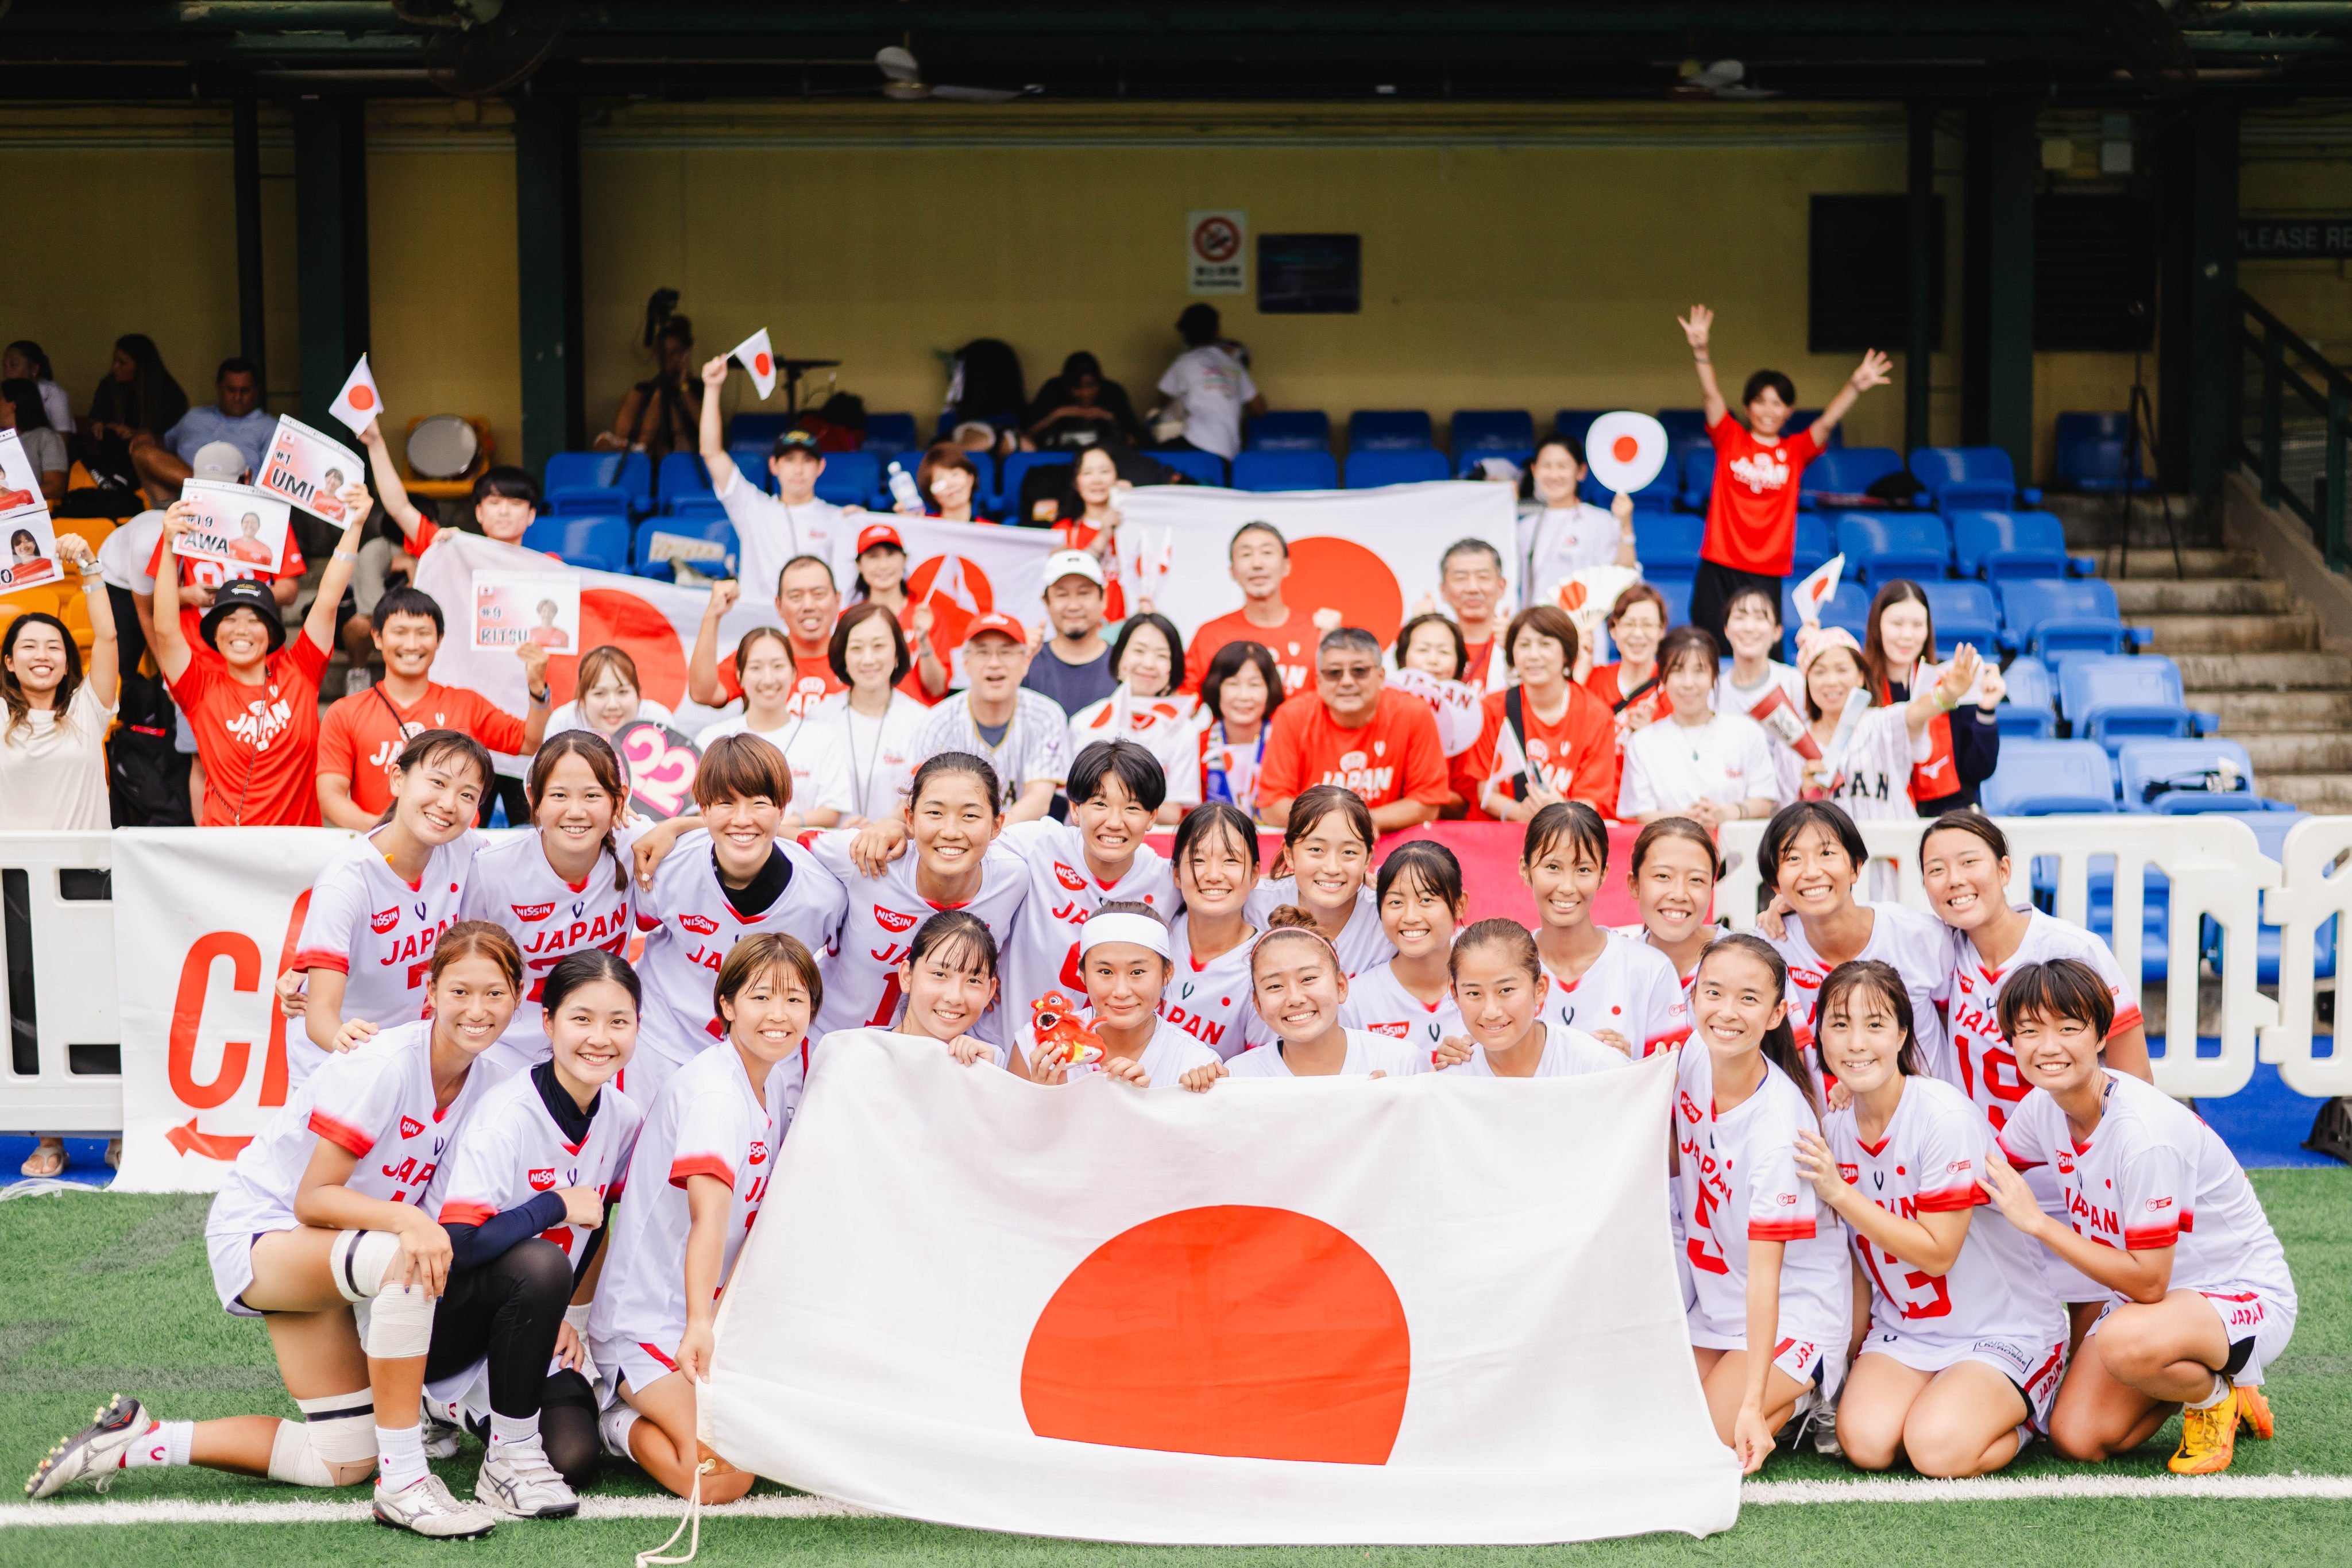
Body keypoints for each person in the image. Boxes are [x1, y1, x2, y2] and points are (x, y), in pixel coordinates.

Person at [28, 926, 524, 1538]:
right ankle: (404, 1482)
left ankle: (138, 1440)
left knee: (340, 1459)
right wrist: (408, 1220)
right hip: (269, 1231)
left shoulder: (493, 1081)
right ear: (429, 991)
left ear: (518, 999)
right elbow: (313, 1199)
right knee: (405, 1259)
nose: (477, 1010)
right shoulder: (385, 1063)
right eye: (460, 991)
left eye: (494, 994)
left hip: (338, 1249)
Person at [1984, 959, 2295, 1475]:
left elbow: (2150, 1283)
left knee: (2122, 1342)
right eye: (2030, 1031)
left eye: (2067, 1028)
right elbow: (1984, 1175)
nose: (2048, 1046)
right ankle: (2209, 1381)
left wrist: (2039, 1223)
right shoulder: (2042, 1107)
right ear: (2011, 1041)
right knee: (2075, 1437)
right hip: (2154, 1308)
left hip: (2239, 1295)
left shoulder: (2143, 1134)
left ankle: (2214, 1395)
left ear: (2102, 1034)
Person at [1792, 960, 2065, 1478]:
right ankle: (1951, 1403)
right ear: (1819, 1035)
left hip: (2001, 1328)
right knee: (1867, 1446)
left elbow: (1938, 1254)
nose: (1855, 1043)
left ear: (1901, 1033)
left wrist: (1839, 1192)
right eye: (1839, 1024)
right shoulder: (1832, 1128)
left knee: (1935, 1450)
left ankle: (2028, 1414)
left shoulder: (1943, 1117)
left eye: (1874, 1025)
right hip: (1908, 1332)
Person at [585, 933, 822, 1504]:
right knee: (721, 1479)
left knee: (785, 1443)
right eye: (762, 997)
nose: (779, 1015)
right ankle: (614, 1423)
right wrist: (698, 1324)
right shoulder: (716, 1094)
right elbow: (708, 1220)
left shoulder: (771, 1080)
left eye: (794, 1000)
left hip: (714, 1319)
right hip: (648, 1327)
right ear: (727, 1005)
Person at [425, 948, 645, 1512]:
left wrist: (559, 1314)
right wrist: (553, 1205)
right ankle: (489, 1448)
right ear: (547, 1022)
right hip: (445, 1321)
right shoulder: (508, 1115)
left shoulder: (623, 1118)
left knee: (574, 1457)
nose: (600, 1038)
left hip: (523, 1318)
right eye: (582, 1019)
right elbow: (459, 1245)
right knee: (540, 1260)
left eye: (619, 1022)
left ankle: (458, 1411)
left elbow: (599, 1220)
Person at [1675, 933, 1852, 1473]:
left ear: (1776, 1014)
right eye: (1714, 993)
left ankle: (1803, 1394)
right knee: (1649, 1417)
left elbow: (1766, 1278)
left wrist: (1752, 1404)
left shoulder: (1779, 1126)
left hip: (1792, 1311)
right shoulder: (1691, 1055)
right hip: (1715, 1301)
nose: (1727, 1013)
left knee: (1700, 1445)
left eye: (1748, 999)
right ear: (1693, 997)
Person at [855, 740, 1173, 1022]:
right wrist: (893, 826)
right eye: (1100, 805)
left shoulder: (1169, 882)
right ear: (1075, 809)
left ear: (1153, 816)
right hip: (1001, 1043)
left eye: (1132, 808)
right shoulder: (1034, 844)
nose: (1114, 822)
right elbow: (959, 842)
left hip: (1096, 1057)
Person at [629, 734, 847, 1109]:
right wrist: (676, 827)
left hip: (768, 1051)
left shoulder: (823, 895)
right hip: (665, 1041)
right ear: (703, 808)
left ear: (782, 810)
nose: (742, 819)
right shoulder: (666, 865)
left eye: (759, 803)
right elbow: (645, 920)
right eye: (726, 803)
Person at [153, 481, 372, 826]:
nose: (241, 629)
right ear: (215, 633)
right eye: (230, 620)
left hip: (294, 856)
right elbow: (165, 630)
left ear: (271, 634)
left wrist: (354, 526)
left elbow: (328, 600)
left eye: (254, 620)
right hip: (227, 855)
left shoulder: (300, 671)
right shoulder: (199, 688)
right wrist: (168, 548)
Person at [3, 540, 120, 1180]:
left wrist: (91, 571)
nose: (43, 655)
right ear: (10, 661)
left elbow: (107, 639)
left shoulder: (86, 714)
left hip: (86, 880)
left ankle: (112, 1127)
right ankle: (48, 1135)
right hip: (15, 886)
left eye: (54, 646)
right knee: (30, 1006)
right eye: (29, 647)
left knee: (98, 999)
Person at [1678, 303, 1891, 647]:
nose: (1768, 410)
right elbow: (1710, 395)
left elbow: (1826, 423)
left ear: (1789, 411)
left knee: (1761, 650)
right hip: (1719, 562)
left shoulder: (1795, 451)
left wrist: (1854, 385)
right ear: (1748, 407)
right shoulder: (1730, 438)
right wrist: (1701, 350)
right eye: (1761, 401)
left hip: (1766, 569)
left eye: (1777, 403)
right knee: (1706, 647)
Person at [1921, 813, 2153, 1126]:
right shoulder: (1939, 952)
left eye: (1969, 862)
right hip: (1981, 1158)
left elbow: (2134, 1077)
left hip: (2066, 1159)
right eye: (1936, 869)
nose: (1954, 879)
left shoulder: (2074, 949)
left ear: (2004, 870)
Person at [292, 731, 493, 1082]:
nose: (449, 804)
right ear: (397, 779)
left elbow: (535, 858)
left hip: (414, 1061)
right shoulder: (345, 884)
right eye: (437, 782)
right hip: (340, 1065)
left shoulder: (466, 849)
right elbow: (320, 1018)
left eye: (467, 795)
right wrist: (354, 1046)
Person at [804, 751, 1029, 1046]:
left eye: (970, 816)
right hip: (832, 1047)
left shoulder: (1013, 880)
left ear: (997, 825)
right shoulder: (870, 855)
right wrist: (884, 824)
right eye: (935, 813)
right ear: (910, 817)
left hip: (934, 1064)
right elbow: (774, 835)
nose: (950, 832)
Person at [458, 732, 637, 1069]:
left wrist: (674, 828)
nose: (575, 811)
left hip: (601, 1048)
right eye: (558, 795)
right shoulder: (491, 869)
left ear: (619, 799)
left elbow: (709, 836)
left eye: (592, 795)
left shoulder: (634, 848)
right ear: (533, 798)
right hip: (507, 1049)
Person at [315, 586, 551, 830]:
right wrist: (388, 832)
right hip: (381, 852)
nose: (412, 644)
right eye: (400, 632)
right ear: (377, 637)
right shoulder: (345, 712)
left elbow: (531, 742)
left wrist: (537, 689)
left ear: (439, 639)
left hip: (456, 853)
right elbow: (330, 796)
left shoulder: (467, 704)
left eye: (423, 633)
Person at [1758, 800, 1957, 1088]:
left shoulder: (1921, 936)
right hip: (1826, 1129)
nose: (1812, 871)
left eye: (1826, 853)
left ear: (1856, 867)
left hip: (1923, 1123)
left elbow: (1956, 1020)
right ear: (1775, 881)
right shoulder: (1768, 949)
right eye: (1793, 859)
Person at [1518, 801, 1688, 1056]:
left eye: (1583, 869)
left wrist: (1630, 1065)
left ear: (1603, 874)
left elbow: (1674, 1075)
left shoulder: (1651, 969)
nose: (1567, 886)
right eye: (1553, 867)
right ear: (1525, 868)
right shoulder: (1503, 969)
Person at [1010, 902, 1225, 1092]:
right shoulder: (1035, 1045)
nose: (1121, 992)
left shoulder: (1196, 1066)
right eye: (1105, 972)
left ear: (1167, 973)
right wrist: (1043, 1096)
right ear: (1083, 974)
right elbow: (1008, 1134)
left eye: (1137, 972)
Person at [1258, 627, 1449, 831]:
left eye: (1359, 671)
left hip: (1391, 847)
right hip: (1314, 845)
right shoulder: (1292, 716)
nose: (1347, 682)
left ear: (1381, 676)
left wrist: (1361, 823)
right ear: (1318, 681)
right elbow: (1272, 806)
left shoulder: (1414, 713)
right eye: (1334, 673)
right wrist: (1348, 825)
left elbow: (1427, 804)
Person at [1795, 628, 1991, 824]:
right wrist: (1809, 795)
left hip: (1893, 849)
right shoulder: (1794, 741)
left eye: (1842, 670)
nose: (1831, 681)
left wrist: (1948, 694)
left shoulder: (1884, 722)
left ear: (1860, 677)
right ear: (1807, 680)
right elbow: (1786, 819)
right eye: (1820, 672)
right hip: (1831, 852)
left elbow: (1918, 711)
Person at [697, 356, 850, 601]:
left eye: (807, 461)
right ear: (774, 466)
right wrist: (712, 388)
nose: (798, 470)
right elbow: (711, 452)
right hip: (761, 629)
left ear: (820, 467)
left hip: (815, 629)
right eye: (789, 460)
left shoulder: (839, 519)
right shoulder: (752, 507)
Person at [908, 610, 1068, 822]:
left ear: (1026, 662)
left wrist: (985, 836)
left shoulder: (1047, 715)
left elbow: (1039, 800)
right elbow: (920, 799)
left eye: (1006, 652)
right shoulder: (938, 721)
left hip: (1022, 844)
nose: (994, 663)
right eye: (983, 652)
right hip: (954, 840)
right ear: (966, 663)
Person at [1227, 906, 1426, 1076]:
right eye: (1275, 986)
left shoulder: (1401, 1064)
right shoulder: (1240, 1076)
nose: (1295, 999)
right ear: (1258, 1005)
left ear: (1341, 986)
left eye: (1308, 979)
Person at [1618, 625, 1784, 827]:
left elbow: (1765, 802)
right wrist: (1687, 820)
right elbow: (1643, 815)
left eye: (1699, 671)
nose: (1689, 683)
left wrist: (1726, 813)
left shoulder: (1747, 733)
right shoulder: (1643, 742)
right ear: (1663, 679)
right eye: (1678, 671)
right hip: (1670, 851)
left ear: (1714, 675)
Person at [692, 622, 851, 831]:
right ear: (739, 675)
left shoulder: (822, 737)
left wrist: (775, 825)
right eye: (756, 668)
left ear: (794, 673)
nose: (768, 679)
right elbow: (698, 811)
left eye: (778, 666)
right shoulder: (712, 738)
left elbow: (831, 811)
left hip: (803, 857)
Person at [1466, 605, 1617, 821]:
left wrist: (1559, 810)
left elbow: (1592, 800)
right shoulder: (1491, 708)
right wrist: (1521, 813)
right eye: (1524, 645)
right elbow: (1486, 794)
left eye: (1545, 644)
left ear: (1566, 654)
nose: (1533, 655)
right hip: (1504, 836)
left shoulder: (1596, 715)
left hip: (1566, 838)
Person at [1864, 581, 2003, 816]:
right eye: (1897, 624)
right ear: (1877, 626)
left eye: (1918, 625)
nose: (1907, 635)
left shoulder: (1952, 678)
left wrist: (1986, 710)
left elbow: (1979, 769)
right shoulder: (1859, 685)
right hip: (1882, 815)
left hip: (1951, 816)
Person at [1439, 918, 1627, 1078]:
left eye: (1506, 990)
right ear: (1455, 994)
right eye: (1474, 994)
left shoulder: (1596, 1066)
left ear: (1540, 988)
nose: (1491, 1012)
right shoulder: (1450, 1081)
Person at [1244, 784, 1395, 976]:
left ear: (1367, 858)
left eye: (1349, 852)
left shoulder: (1387, 917)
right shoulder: (1253, 904)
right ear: (1289, 853)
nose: (1332, 868)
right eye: (1316, 850)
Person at [1338, 840, 1466, 1059]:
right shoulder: (1352, 1002)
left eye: (1426, 900)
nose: (1410, 917)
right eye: (1396, 902)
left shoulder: (1489, 989)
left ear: (1459, 905)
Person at [1067, 612, 1199, 824]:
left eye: (1162, 655)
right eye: (1139, 651)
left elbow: (1173, 814)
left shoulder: (1183, 730)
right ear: (1120, 659)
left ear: (1172, 670)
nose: (1148, 663)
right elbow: (1076, 804)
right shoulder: (1086, 722)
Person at [1163, 802, 1270, 1059]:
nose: (1213, 875)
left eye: (1230, 860)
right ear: (1177, 873)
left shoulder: (1265, 965)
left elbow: (1260, 1070)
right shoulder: (1156, 936)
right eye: (1198, 860)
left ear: (1255, 874)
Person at [689, 557, 848, 719]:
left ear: (837, 600)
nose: (808, 606)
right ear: (779, 606)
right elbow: (703, 694)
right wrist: (713, 615)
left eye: (819, 594)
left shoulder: (858, 658)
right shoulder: (759, 655)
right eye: (796, 596)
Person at [1181, 521, 1328, 697]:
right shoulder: (1210, 635)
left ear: (1286, 566)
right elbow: (1185, 701)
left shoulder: (1318, 632)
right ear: (1233, 571)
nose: (1257, 564)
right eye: (1246, 554)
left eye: (1267, 553)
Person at [822, 600, 933, 822]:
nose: (868, 659)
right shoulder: (820, 718)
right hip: (831, 849)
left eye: (879, 646)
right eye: (856, 648)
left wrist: (882, 829)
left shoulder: (922, 721)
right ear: (843, 656)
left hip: (900, 848)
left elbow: (926, 795)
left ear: (897, 655)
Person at [873, 910, 1005, 1064]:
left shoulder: (991, 1060)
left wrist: (987, 1078)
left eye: (973, 981)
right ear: (907, 976)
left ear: (990, 991)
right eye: (940, 974)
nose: (955, 997)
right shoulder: (859, 1051)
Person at [1389, 611, 1484, 817]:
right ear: (1403, 657)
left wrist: (1423, 792)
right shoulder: (1383, 707)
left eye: (1444, 652)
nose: (1433, 660)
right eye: (1423, 650)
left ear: (1459, 662)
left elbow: (1465, 803)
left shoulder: (1469, 717)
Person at [1714, 588, 1806, 801]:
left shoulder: (1795, 683)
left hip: (1789, 806)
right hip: (1733, 808)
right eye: (1740, 617)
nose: (1749, 627)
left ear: (1777, 632)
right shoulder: (1713, 691)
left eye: (1760, 618)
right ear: (1726, 630)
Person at [841, 523, 949, 701]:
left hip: (917, 721)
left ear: (905, 560)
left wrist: (923, 641)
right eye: (873, 557)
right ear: (859, 565)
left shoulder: (926, 615)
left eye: (891, 555)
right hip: (863, 719)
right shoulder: (847, 619)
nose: (883, 566)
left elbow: (937, 689)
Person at [1519, 434, 1636, 593]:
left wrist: (1625, 525)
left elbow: (1623, 577)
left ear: (1581, 471)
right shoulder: (1526, 526)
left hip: (1587, 618)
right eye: (1546, 466)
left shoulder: (1600, 521)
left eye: (1563, 466)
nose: (1554, 475)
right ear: (1534, 470)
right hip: (1537, 617)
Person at [1620, 816, 1722, 997]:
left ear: (1711, 888)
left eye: (1696, 880)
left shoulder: (1749, 959)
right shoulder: (1617, 964)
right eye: (1663, 876)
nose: (1679, 895)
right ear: (1634, 885)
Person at [1155, 303, 1264, 463]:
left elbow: (1163, 401)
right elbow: (1260, 408)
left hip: (1198, 443)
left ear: (1185, 335)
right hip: (1230, 450)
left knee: (1151, 455)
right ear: (1217, 333)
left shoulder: (1185, 362)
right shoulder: (1233, 363)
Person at [1024, 549, 1118, 716]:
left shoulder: (1124, 664)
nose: (1073, 606)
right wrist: (1016, 660)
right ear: (1046, 602)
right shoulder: (1027, 663)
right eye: (1062, 595)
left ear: (1104, 599)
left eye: (1084, 593)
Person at [1198, 638, 1282, 821]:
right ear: (1216, 688)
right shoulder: (1198, 745)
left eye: (1254, 685)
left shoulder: (1284, 742)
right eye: (1233, 684)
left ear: (1270, 689)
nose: (1244, 696)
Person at [594, 312, 700, 458]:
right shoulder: (646, 390)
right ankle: (635, 448)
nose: (669, 358)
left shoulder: (697, 387)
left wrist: (682, 386)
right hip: (645, 454)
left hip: (684, 453)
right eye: (665, 353)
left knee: (663, 395)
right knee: (644, 394)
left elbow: (702, 424)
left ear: (685, 353)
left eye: (675, 352)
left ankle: (640, 449)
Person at [158, 357, 273, 481]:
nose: (238, 397)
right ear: (218, 388)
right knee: (145, 452)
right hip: (182, 494)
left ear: (257, 391)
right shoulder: (194, 417)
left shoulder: (270, 428)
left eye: (245, 391)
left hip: (235, 495)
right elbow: (163, 447)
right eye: (231, 390)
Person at [1046, 449, 1129, 620]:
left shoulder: (1134, 527)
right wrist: (1104, 533)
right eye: (1088, 473)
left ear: (1117, 478)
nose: (1097, 480)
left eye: (1105, 471)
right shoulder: (1063, 531)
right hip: (1082, 628)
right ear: (1077, 483)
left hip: (1129, 627)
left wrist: (1134, 502)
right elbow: (1072, 575)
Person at [544, 644, 673, 755]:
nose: (613, 705)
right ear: (582, 700)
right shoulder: (564, 724)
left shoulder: (658, 721)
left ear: (638, 695)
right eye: (600, 694)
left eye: (623, 692)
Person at [1583, 581, 1667, 740]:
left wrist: (1652, 736)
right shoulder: (1593, 680)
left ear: (1661, 631)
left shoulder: (1673, 687)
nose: (1637, 633)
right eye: (1629, 624)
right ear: (1613, 630)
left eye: (1647, 625)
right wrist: (1580, 673)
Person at [1431, 538, 1513, 687]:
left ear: (1501, 587)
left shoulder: (1519, 643)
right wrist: (1420, 630)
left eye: (1483, 577)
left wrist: (1516, 646)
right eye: (1460, 578)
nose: (1472, 588)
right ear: (1443, 590)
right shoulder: (1428, 647)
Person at [1024, 350, 1144, 450]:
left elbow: (1134, 440)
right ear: (1067, 385)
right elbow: (1027, 434)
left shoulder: (1112, 392)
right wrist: (1059, 414)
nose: (1086, 393)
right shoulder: (1053, 390)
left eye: (1091, 386)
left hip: (1105, 458)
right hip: (1056, 457)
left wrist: (1108, 417)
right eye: (1077, 387)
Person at [85, 333, 188, 444]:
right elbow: (96, 417)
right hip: (110, 453)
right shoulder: (109, 385)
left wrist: (137, 434)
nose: (115, 367)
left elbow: (171, 440)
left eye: (122, 363)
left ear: (141, 366)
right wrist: (99, 425)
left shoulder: (170, 394)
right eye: (115, 360)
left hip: (149, 455)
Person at [1, 377, 67, 503]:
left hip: (31, 510)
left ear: (13, 405)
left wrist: (15, 496)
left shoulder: (46, 437)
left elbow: (56, 487)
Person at [898, 443, 990, 524]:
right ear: (933, 495)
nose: (950, 484)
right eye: (940, 480)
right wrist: (911, 525)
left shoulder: (990, 530)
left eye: (955, 474)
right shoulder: (923, 525)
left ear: (970, 479)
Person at [2, 341, 72, 434]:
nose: (7, 372)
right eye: (4, 365)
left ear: (34, 370)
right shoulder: (3, 392)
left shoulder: (53, 394)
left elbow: (62, 440)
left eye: (13, 365)